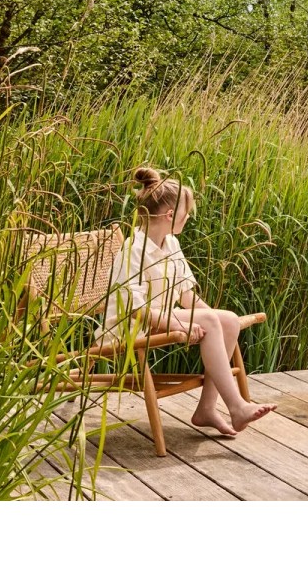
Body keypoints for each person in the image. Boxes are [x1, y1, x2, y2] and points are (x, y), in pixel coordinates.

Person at [101, 166, 275, 438]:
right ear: (171, 215)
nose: (188, 218)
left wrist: (213, 318)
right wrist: (178, 323)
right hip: (128, 327)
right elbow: (135, 310)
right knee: (210, 319)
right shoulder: (132, 250)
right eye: (186, 214)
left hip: (159, 320)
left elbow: (186, 296)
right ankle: (237, 406)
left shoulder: (171, 244)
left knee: (227, 319)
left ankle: (207, 409)